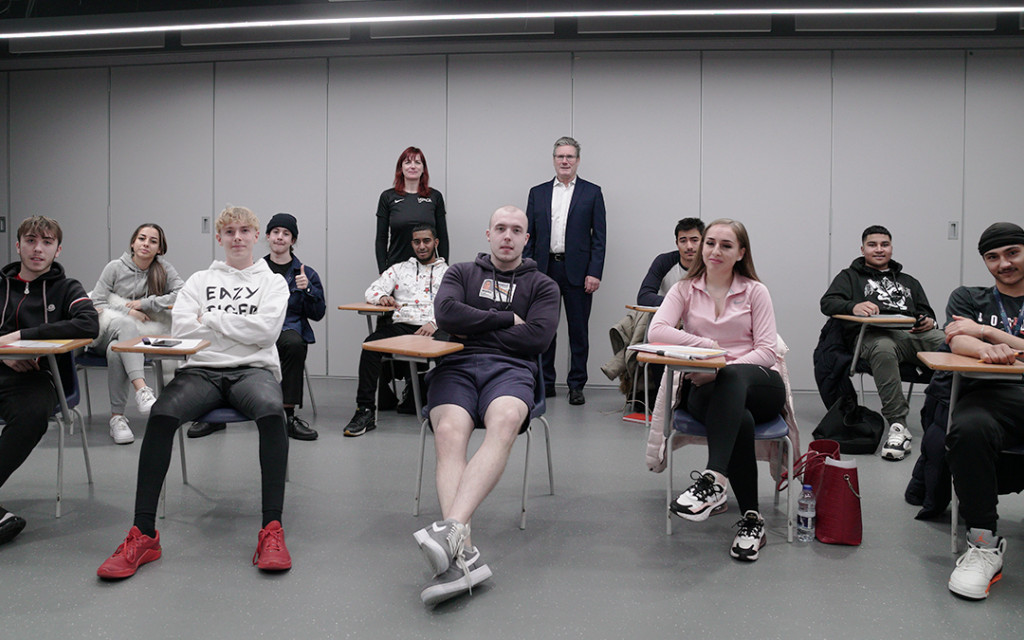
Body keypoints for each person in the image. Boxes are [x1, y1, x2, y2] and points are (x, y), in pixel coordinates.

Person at [97, 205, 291, 579]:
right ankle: (143, 534)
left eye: (244, 231)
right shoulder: (200, 281)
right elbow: (185, 331)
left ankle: (272, 530)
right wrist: (235, 326)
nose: (237, 237)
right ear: (219, 238)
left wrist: (213, 320)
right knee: (162, 414)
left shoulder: (273, 282)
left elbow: (266, 333)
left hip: (253, 371)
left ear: (256, 237)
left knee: (272, 414)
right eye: (229, 231)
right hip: (201, 371)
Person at [412, 206, 558, 606]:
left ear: (527, 239)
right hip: (455, 366)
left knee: (507, 419)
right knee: (447, 430)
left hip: (512, 371)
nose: (507, 235)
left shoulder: (544, 285)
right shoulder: (460, 272)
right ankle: (463, 553)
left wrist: (474, 327)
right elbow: (445, 314)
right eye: (500, 229)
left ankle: (452, 533)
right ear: (488, 234)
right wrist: (508, 319)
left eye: (516, 230)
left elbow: (538, 340)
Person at [649, 218, 784, 562]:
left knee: (733, 380)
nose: (714, 251)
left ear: (741, 252)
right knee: (741, 421)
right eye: (710, 243)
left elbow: (768, 350)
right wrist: (708, 349)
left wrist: (722, 367)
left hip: (760, 385)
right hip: (706, 389)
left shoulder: (756, 291)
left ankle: (713, 479)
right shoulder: (684, 289)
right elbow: (657, 330)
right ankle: (752, 521)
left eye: (726, 245)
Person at [0, 216, 99, 546]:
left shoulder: (67, 287)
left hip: (37, 377)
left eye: (46, 242)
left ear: (58, 249)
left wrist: (22, 337)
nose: (37, 249)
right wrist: (3, 353)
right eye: (30, 240)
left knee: (30, 418)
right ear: (18, 245)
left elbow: (88, 325)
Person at [188, 213, 325, 441]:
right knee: (227, 340)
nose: (280, 237)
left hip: (287, 328)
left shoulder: (305, 273)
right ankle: (213, 415)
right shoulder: (253, 269)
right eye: (276, 232)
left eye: (286, 234)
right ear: (267, 237)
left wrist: (308, 289)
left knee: (293, 344)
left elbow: (319, 314)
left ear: (293, 240)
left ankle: (287, 414)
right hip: (249, 323)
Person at [942, 222, 1024, 600]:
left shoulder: (986, 323)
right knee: (967, 428)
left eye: (1012, 253)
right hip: (989, 395)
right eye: (993, 257)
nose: (1003, 263)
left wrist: (991, 335)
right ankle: (983, 544)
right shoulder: (969, 297)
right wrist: (981, 349)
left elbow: (978, 335)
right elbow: (957, 338)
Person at [820, 225, 945, 461]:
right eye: (872, 244)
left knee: (951, 340)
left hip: (912, 335)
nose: (879, 249)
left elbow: (927, 312)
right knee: (884, 348)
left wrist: (929, 321)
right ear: (863, 248)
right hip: (872, 336)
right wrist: (853, 306)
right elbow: (828, 303)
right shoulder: (849, 276)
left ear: (891, 248)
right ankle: (898, 426)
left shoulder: (910, 281)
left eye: (884, 244)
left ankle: (952, 415)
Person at [344, 224, 448, 437]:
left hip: (434, 327)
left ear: (435, 243)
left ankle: (445, 410)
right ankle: (364, 411)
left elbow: (455, 304)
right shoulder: (399, 269)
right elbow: (371, 290)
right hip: (403, 326)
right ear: (411, 244)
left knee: (449, 351)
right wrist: (382, 297)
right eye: (417, 242)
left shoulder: (449, 273)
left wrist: (434, 323)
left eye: (426, 241)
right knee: (371, 345)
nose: (421, 246)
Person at [525, 136, 606, 405]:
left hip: (579, 273)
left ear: (578, 160)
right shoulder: (537, 193)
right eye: (560, 156)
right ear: (554, 160)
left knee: (578, 331)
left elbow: (599, 238)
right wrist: (528, 270)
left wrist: (594, 272)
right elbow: (529, 236)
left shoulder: (592, 192)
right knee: (544, 329)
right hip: (544, 270)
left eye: (570, 156)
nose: (565, 161)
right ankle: (546, 383)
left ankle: (576, 385)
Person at [88, 223, 184, 444]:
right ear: (133, 242)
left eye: (152, 241)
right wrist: (129, 311)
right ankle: (142, 390)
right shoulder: (114, 267)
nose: (146, 244)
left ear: (159, 248)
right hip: (106, 331)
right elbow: (96, 301)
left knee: (116, 351)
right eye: (141, 239)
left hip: (128, 343)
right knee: (125, 326)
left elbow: (182, 293)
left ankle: (117, 418)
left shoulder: (163, 269)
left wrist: (146, 304)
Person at [376, 146, 449, 274]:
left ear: (423, 169)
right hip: (396, 269)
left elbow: (442, 236)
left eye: (417, 162)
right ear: (401, 168)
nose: (413, 166)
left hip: (429, 270)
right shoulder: (387, 197)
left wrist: (444, 268)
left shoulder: (435, 197)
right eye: (408, 162)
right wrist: (383, 270)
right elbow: (381, 238)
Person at [636, 217, 706, 307]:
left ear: (704, 242)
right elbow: (644, 297)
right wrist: (677, 302)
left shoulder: (713, 264)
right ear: (677, 243)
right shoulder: (664, 262)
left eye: (694, 240)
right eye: (683, 241)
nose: (689, 246)